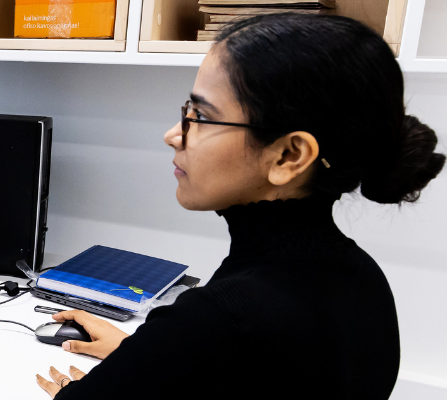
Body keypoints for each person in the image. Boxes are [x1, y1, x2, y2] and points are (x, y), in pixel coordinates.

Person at [34, 13, 445, 399]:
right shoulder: (363, 279)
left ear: (289, 156)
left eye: (200, 115)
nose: (173, 135)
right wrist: (153, 357)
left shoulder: (218, 319)